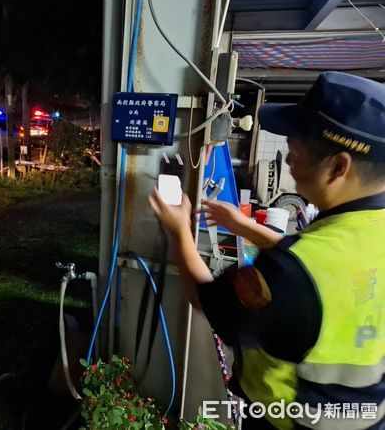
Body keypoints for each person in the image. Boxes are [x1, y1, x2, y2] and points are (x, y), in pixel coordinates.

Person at [149, 71, 384, 429]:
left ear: (338, 166)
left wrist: (179, 230)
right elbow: (329, 264)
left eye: (295, 152)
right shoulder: (367, 226)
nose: (287, 162)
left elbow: (206, 299)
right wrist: (244, 226)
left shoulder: (287, 274)